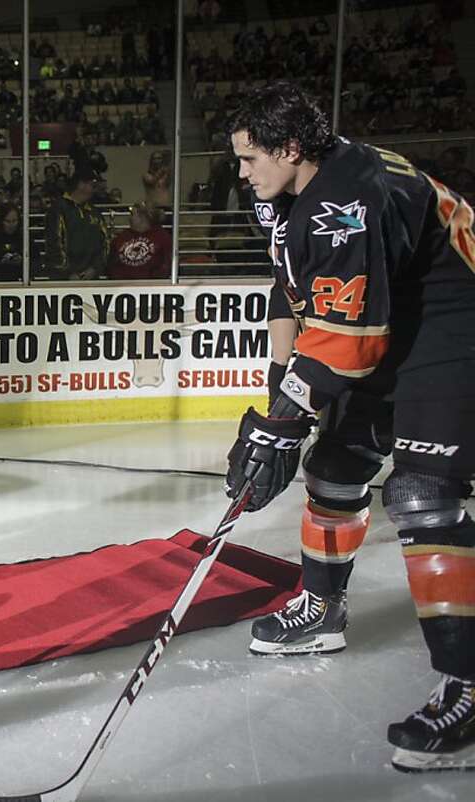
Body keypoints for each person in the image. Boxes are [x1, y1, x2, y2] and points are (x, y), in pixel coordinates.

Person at [223, 81, 475, 773]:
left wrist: (282, 422)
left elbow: (352, 343)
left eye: (249, 158)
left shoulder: (348, 201)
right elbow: (291, 286)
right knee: (334, 470)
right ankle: (322, 610)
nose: (242, 173)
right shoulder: (290, 194)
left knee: (423, 494)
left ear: (291, 147)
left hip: (453, 327)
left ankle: (469, 683)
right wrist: (281, 396)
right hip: (392, 320)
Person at [106, 202, 171, 279]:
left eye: (132, 214)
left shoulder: (161, 236)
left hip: (151, 285)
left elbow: (166, 262)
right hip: (122, 284)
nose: (129, 218)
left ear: (143, 217)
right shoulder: (122, 237)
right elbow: (112, 262)